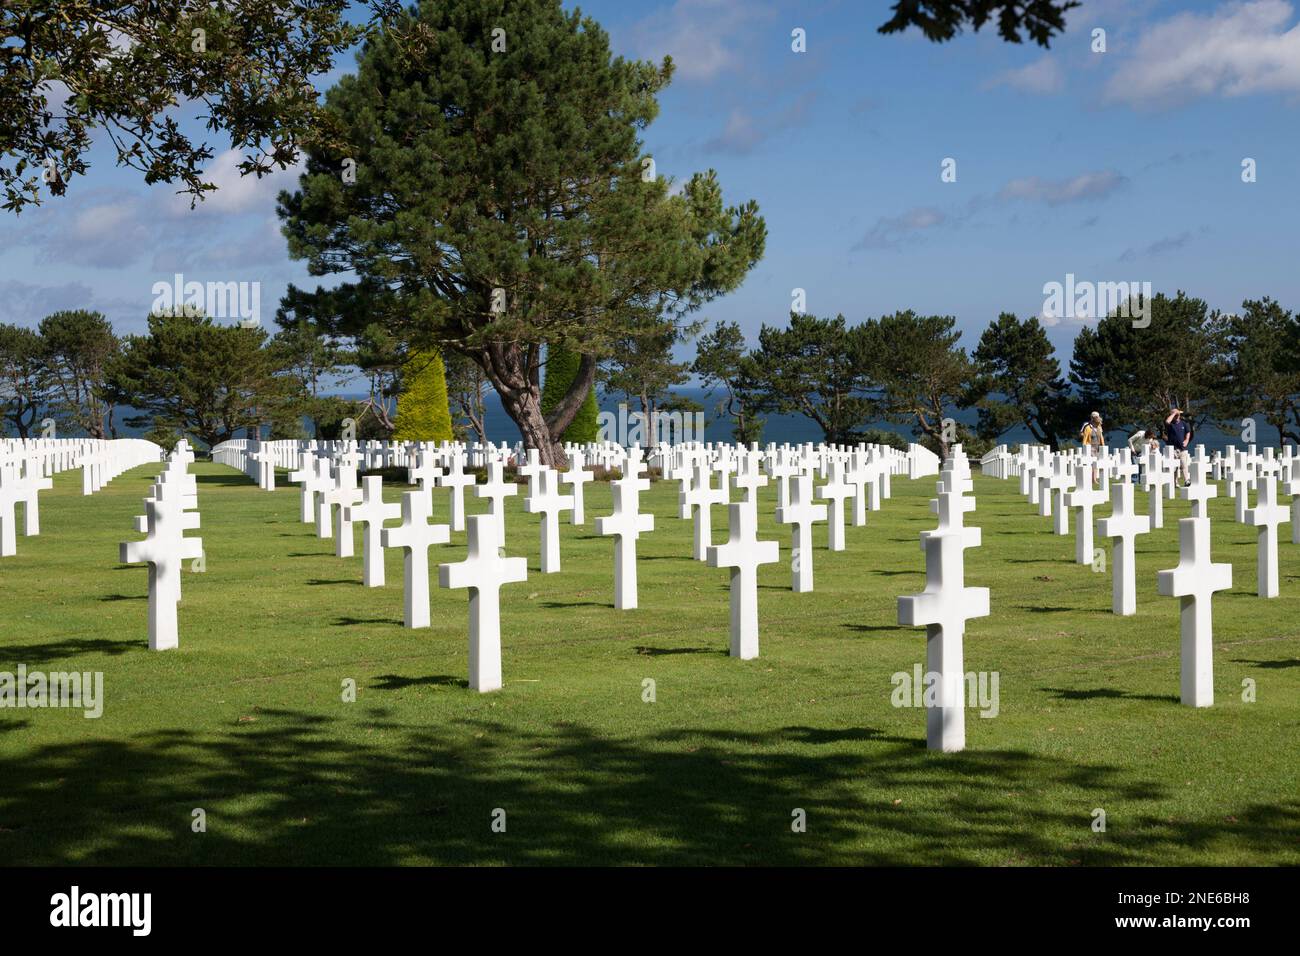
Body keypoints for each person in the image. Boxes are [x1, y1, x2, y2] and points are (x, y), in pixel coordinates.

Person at [1165, 407, 1192, 486]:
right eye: (1175, 415)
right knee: (1174, 467)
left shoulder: (1183, 423)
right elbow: (1167, 421)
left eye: (1178, 414)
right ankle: (1175, 482)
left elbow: (1188, 432)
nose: (1177, 416)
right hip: (1172, 449)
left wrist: (1187, 440)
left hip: (1182, 448)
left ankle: (1187, 480)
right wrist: (1173, 413)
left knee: (1184, 465)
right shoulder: (1170, 424)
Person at [1081, 411, 1105, 483]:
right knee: (1092, 464)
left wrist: (1103, 446)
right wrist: (1084, 448)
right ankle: (1092, 479)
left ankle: (1094, 479)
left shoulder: (1099, 427)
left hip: (1097, 447)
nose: (1099, 418)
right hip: (1090, 448)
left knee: (1096, 464)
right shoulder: (1088, 427)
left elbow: (1101, 436)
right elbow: (1085, 438)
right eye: (1097, 417)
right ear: (1093, 418)